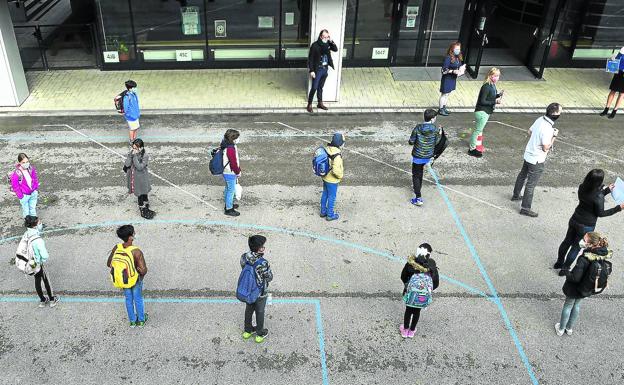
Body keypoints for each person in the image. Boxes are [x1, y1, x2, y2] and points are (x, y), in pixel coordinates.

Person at [555, 169, 623, 275]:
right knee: (576, 247)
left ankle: (559, 262)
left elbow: (592, 198)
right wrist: (618, 208)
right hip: (586, 225)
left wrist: (607, 190)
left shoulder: (582, 187)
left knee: (566, 241)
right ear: (598, 182)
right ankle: (565, 269)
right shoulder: (598, 197)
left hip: (575, 219)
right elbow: (600, 213)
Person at [555, 232, 611, 336]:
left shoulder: (583, 258)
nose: (582, 241)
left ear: (590, 245)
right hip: (586, 287)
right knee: (577, 305)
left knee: (568, 305)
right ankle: (569, 328)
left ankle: (561, 329)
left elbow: (575, 278)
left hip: (575, 288)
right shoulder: (602, 255)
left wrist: (567, 272)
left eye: (584, 240)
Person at [511, 102, 562, 217]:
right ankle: (525, 208)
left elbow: (529, 132)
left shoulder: (540, 119)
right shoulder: (549, 129)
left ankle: (516, 195)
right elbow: (546, 148)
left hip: (528, 154)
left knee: (522, 175)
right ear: (555, 114)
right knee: (531, 184)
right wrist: (554, 136)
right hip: (537, 159)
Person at [107, 225, 148, 328]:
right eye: (133, 233)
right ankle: (141, 320)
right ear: (130, 237)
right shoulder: (136, 251)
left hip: (123, 280)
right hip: (135, 280)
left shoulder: (117, 247)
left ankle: (132, 321)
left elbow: (109, 263)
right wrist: (139, 270)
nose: (134, 234)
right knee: (137, 298)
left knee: (128, 299)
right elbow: (143, 270)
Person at [400, 243, 439, 338]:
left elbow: (403, 276)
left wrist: (407, 286)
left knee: (408, 310)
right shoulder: (431, 265)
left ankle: (405, 330)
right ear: (429, 254)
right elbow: (436, 282)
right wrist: (426, 290)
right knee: (417, 312)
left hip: (410, 293)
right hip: (423, 295)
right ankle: (412, 331)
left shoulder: (411, 263)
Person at [241, 235, 273, 343]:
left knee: (249, 309)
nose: (264, 247)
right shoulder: (263, 262)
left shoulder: (244, 257)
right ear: (259, 248)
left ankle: (248, 330)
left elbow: (242, 267)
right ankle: (260, 333)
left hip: (248, 289)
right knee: (259, 311)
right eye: (262, 246)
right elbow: (269, 277)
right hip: (260, 291)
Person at [23, 215, 59, 308]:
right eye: (39, 223)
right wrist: (42, 260)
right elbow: (45, 255)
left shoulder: (26, 234)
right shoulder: (38, 240)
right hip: (38, 263)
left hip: (30, 262)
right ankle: (52, 299)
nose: (41, 224)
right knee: (46, 280)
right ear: (35, 225)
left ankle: (42, 300)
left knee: (37, 280)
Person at [408, 109, 441, 206]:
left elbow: (411, 141)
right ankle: (417, 188)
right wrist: (439, 134)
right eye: (435, 117)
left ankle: (418, 197)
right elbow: (436, 142)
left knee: (416, 175)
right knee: (420, 173)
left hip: (417, 156)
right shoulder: (435, 129)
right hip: (428, 156)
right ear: (432, 119)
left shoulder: (418, 128)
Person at [468, 67, 503, 158]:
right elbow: (482, 101)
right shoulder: (486, 86)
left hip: (485, 112)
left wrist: (498, 95)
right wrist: (495, 101)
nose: (497, 78)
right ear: (490, 76)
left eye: (498, 76)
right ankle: (472, 149)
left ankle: (474, 146)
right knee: (477, 131)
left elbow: (490, 97)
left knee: (478, 130)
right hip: (482, 112)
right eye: (495, 76)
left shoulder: (492, 85)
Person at [306, 29, 338, 113]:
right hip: (317, 70)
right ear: (321, 36)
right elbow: (311, 59)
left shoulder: (328, 43)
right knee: (314, 87)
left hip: (324, 69)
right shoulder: (315, 45)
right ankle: (309, 104)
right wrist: (311, 71)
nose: (326, 38)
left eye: (327, 37)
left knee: (320, 87)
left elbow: (335, 49)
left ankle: (320, 103)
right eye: (325, 37)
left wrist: (331, 41)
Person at [124, 139, 155, 219]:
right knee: (139, 194)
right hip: (134, 177)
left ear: (141, 148)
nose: (134, 150)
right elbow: (127, 164)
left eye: (136, 148)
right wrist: (131, 155)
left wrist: (134, 157)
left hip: (142, 177)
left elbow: (139, 167)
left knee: (144, 191)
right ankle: (142, 208)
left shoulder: (145, 156)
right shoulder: (132, 153)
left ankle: (146, 204)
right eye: (133, 147)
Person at [320, 133, 345, 221]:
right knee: (332, 196)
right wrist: (340, 176)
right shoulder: (337, 155)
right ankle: (330, 215)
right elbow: (336, 171)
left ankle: (323, 211)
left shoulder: (327, 149)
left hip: (325, 177)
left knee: (325, 194)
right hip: (332, 180)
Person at [438, 42, 465, 116]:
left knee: (448, 94)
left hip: (453, 78)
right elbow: (444, 70)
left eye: (459, 49)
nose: (458, 50)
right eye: (456, 49)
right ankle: (440, 109)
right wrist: (453, 71)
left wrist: (461, 69)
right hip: (447, 78)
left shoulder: (457, 57)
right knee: (444, 94)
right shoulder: (448, 58)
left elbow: (459, 66)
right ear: (452, 49)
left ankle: (444, 107)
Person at [10, 153, 39, 218]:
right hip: (24, 195)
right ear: (19, 162)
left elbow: (35, 178)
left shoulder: (31, 169)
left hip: (33, 192)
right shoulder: (16, 174)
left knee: (33, 209)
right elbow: (15, 187)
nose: (26, 164)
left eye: (27, 161)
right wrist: (21, 196)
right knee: (26, 211)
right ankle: (29, 225)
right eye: (23, 162)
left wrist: (36, 188)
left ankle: (34, 223)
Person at [599, 46, 624, 119]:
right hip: (619, 72)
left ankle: (614, 111)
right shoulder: (623, 48)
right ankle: (606, 109)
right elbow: (617, 58)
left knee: (622, 93)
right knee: (613, 90)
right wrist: (613, 58)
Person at [221, 129, 241, 217]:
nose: (238, 139)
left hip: (226, 172)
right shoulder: (231, 149)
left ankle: (228, 204)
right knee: (231, 190)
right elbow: (233, 163)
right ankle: (229, 209)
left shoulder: (226, 144)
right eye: (237, 137)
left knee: (228, 188)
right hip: (230, 172)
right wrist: (238, 172)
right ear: (233, 139)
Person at [123, 80, 140, 144]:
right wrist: (129, 115)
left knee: (136, 127)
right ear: (130, 88)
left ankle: (134, 138)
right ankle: (131, 140)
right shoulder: (127, 97)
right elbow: (125, 108)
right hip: (131, 116)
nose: (135, 89)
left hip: (135, 115)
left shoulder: (134, 94)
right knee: (132, 129)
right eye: (134, 87)